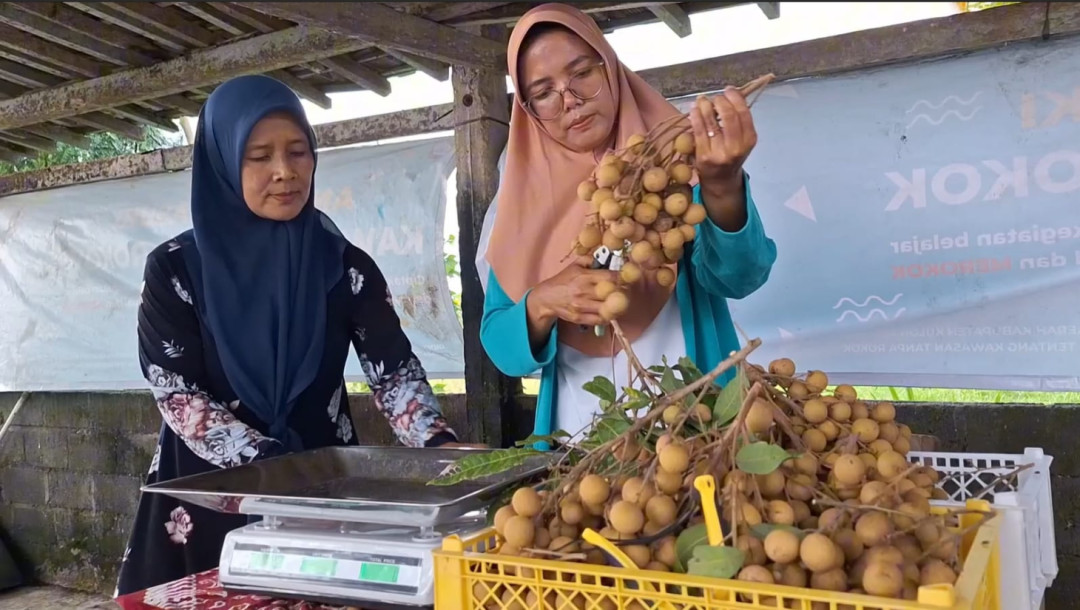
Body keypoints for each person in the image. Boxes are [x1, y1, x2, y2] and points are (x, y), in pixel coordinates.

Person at [115, 74, 467, 596]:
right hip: (206, 494)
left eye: (298, 151)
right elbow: (179, 395)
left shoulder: (344, 266)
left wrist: (443, 451)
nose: (285, 172)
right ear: (223, 161)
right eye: (259, 156)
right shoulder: (176, 271)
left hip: (318, 497)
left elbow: (394, 377)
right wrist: (274, 466)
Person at [477, 3, 778, 444]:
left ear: (611, 68)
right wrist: (541, 303)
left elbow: (740, 275)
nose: (570, 100)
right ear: (527, 108)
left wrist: (722, 185)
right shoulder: (517, 207)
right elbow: (503, 349)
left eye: (582, 73)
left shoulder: (679, 167)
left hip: (696, 428)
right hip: (579, 441)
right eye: (543, 92)